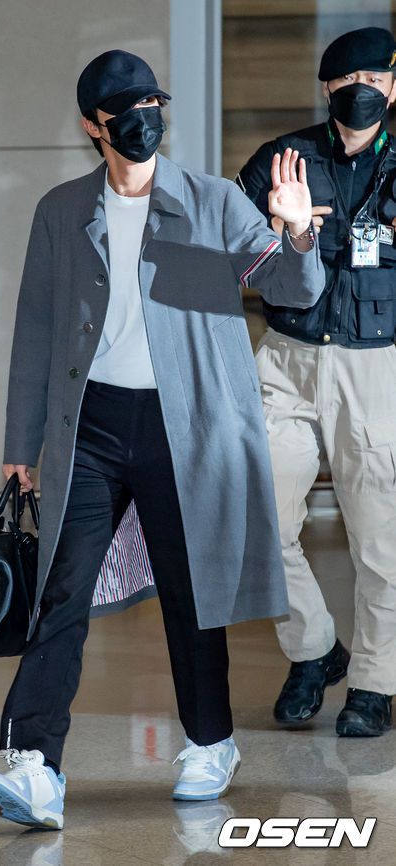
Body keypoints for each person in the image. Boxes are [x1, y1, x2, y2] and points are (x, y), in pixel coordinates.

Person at [0, 49, 323, 829]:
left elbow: (293, 290)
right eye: (126, 112)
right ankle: (34, 766)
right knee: (62, 589)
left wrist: (298, 232)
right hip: (91, 426)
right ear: (93, 126)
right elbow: (35, 329)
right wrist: (21, 443)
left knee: (191, 589)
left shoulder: (214, 201)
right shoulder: (62, 210)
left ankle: (211, 742)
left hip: (185, 425)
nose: (144, 121)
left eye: (152, 105)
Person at [236, 27, 396, 738]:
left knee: (380, 539)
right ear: (328, 88)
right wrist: (280, 229)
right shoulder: (283, 160)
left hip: (377, 365)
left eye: (375, 78)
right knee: (260, 519)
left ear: (394, 88)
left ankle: (374, 684)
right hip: (287, 359)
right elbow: (231, 256)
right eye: (348, 80)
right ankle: (314, 650)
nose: (363, 90)